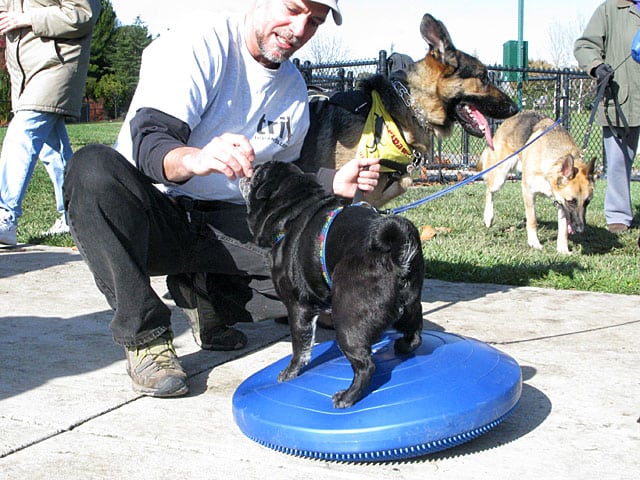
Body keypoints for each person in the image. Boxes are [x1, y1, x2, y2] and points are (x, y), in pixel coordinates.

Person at [64, 0, 382, 398]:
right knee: (90, 168)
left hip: (230, 221)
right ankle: (145, 336)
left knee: (324, 289)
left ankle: (206, 292)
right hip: (157, 215)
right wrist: (195, 159)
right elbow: (149, 141)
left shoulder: (293, 89)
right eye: (293, 8)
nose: (299, 29)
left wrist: (332, 181)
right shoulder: (199, 42)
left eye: (314, 22)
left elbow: (282, 175)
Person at [0, 0, 101, 245]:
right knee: (51, 149)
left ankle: (5, 216)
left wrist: (28, 19)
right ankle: (75, 215)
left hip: (57, 64)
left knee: (22, 132)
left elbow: (84, 13)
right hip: (24, 71)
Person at [574, 0, 640, 234]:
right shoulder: (609, 9)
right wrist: (596, 66)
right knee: (618, 162)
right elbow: (584, 45)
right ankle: (619, 216)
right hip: (622, 101)